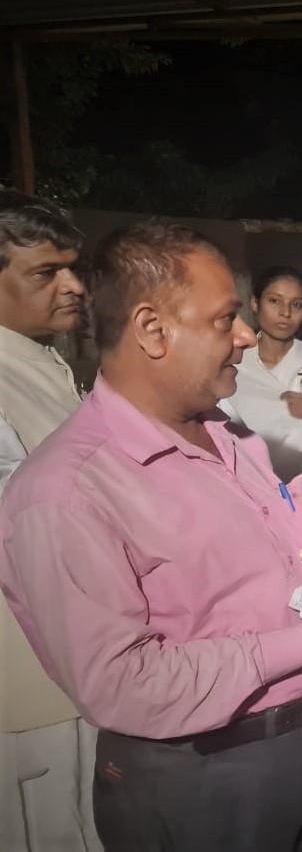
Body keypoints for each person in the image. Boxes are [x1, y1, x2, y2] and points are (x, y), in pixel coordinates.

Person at [0, 222, 302, 852]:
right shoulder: (64, 494)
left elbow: (276, 536)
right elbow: (125, 683)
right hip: (206, 775)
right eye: (226, 319)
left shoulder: (223, 431)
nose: (246, 336)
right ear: (153, 330)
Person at [0, 191, 99, 852]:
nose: (74, 287)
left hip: (73, 655)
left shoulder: (40, 358)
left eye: (72, 268)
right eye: (46, 272)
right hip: (24, 677)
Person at [220, 265, 302, 482]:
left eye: (296, 305)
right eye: (274, 301)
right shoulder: (232, 367)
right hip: (249, 491)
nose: (286, 313)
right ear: (255, 303)